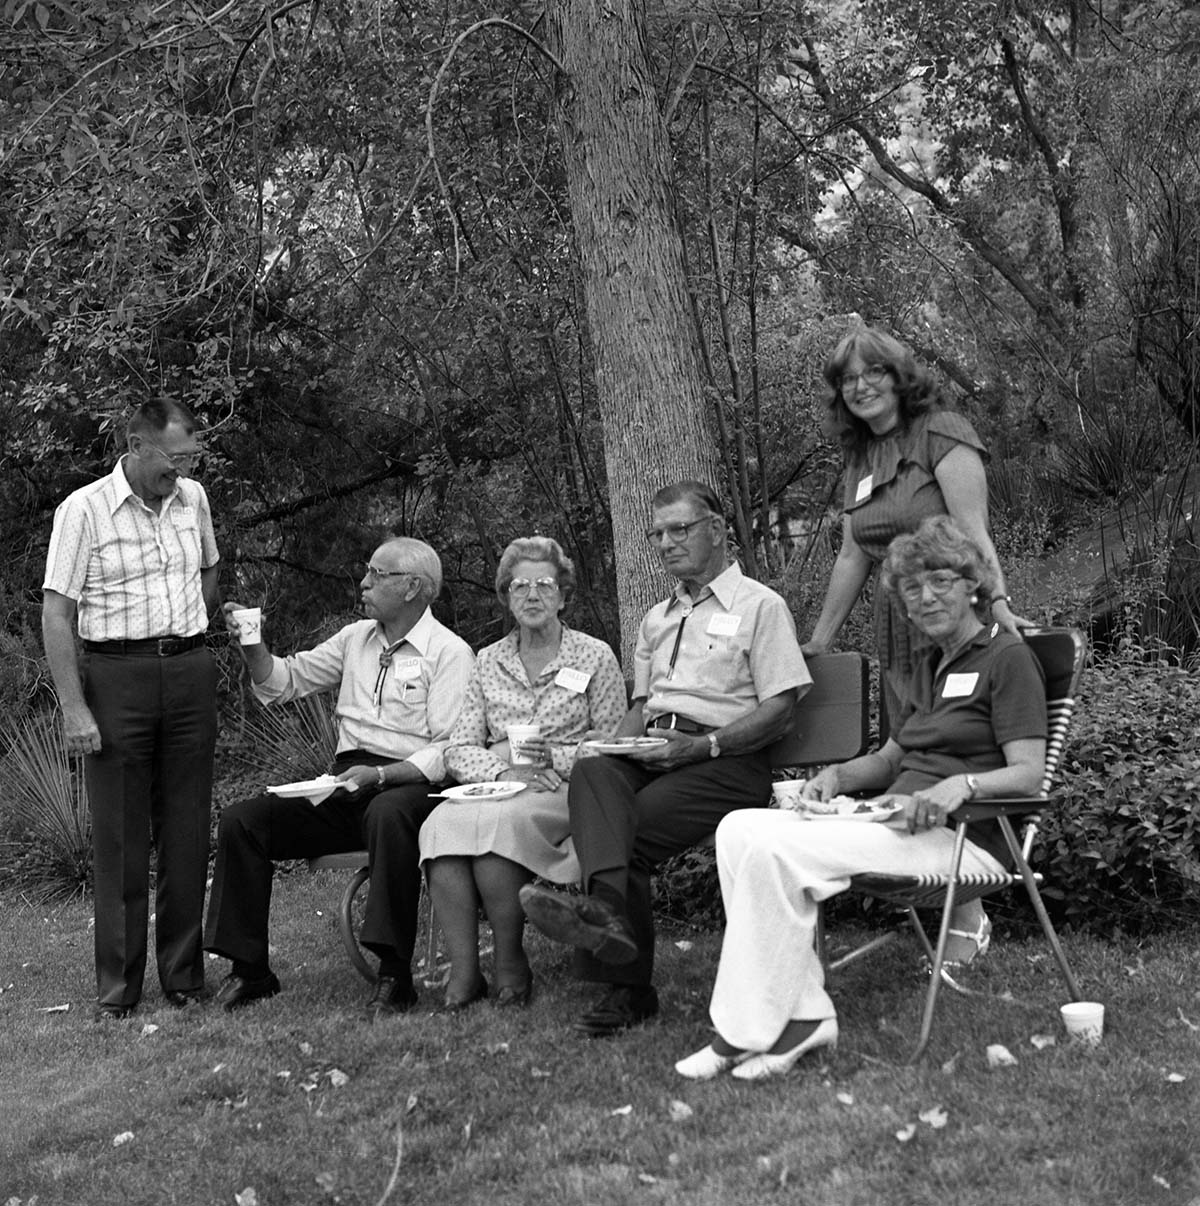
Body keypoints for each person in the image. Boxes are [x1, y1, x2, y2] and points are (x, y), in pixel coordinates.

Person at [674, 516, 1047, 1081]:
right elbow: (892, 760)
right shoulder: (929, 666)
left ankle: (745, 1032)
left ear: (973, 584)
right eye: (912, 589)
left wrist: (961, 786)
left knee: (775, 850)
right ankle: (801, 1016)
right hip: (895, 820)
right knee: (739, 828)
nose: (926, 598)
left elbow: (1028, 773)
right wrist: (838, 776)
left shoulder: (1007, 658)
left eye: (941, 582)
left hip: (964, 838)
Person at [520, 481, 811, 1037]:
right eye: (658, 534)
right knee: (593, 768)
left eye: (680, 529)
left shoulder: (760, 606)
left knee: (620, 834)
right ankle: (608, 919)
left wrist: (703, 746)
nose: (666, 543)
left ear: (717, 531)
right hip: (655, 752)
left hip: (726, 761)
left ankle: (626, 984)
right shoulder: (657, 617)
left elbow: (781, 709)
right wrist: (617, 745)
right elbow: (641, 706)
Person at [203, 537, 474, 1016]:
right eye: (367, 572)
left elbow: (449, 748)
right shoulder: (355, 639)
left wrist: (383, 775)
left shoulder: (449, 652)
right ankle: (250, 970)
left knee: (388, 813)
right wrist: (251, 641)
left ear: (412, 587)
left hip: (413, 785)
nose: (364, 583)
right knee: (244, 821)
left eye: (377, 574)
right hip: (347, 782)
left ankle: (394, 975)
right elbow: (283, 682)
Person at [42, 398, 220, 1021]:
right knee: (120, 834)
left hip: (190, 670)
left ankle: (184, 975)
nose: (183, 470)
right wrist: (74, 707)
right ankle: (119, 987)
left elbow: (209, 571)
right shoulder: (83, 509)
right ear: (137, 445)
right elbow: (57, 614)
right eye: (175, 458)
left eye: (190, 459)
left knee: (188, 828)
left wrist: (189, 625)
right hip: (116, 676)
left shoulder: (194, 500)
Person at [420, 537, 626, 1011]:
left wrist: (553, 759)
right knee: (441, 826)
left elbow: (612, 744)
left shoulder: (594, 656)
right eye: (520, 586)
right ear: (506, 596)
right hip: (501, 785)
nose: (532, 595)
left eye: (544, 585)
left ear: (563, 595)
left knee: (498, 827)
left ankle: (510, 962)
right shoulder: (488, 660)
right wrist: (504, 770)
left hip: (569, 787)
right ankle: (465, 971)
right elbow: (458, 748)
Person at [804, 326, 1032, 729]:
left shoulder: (942, 432)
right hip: (895, 620)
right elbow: (852, 556)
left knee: (958, 728)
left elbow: (974, 533)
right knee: (908, 734)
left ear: (898, 376)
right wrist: (821, 640)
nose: (860, 387)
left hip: (950, 608)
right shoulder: (860, 458)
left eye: (873, 372)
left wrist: (998, 603)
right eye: (848, 379)